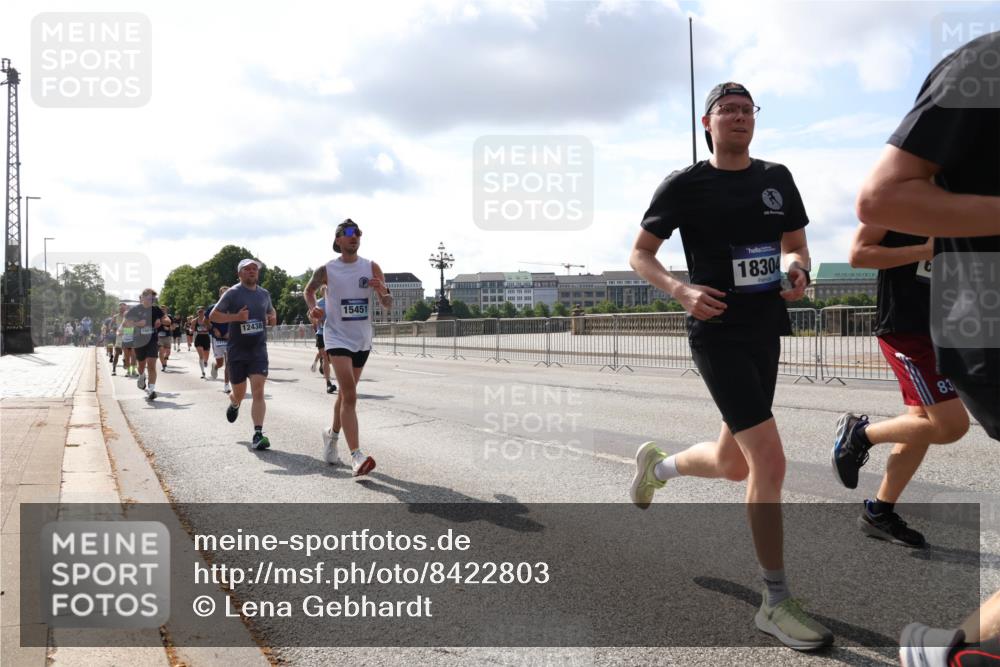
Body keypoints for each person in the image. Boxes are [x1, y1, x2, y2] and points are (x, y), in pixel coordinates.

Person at [628, 82, 832, 651]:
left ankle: (658, 468)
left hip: (767, 327)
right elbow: (640, 254)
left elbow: (796, 243)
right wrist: (680, 290)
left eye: (747, 110)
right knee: (768, 460)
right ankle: (775, 599)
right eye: (728, 111)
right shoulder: (686, 184)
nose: (739, 118)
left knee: (732, 463)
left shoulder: (777, 177)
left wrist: (798, 271)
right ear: (707, 122)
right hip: (716, 332)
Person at [855, 30, 1000, 667]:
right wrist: (927, 248)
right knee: (944, 422)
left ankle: (880, 501)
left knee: (936, 423)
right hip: (920, 321)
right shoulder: (981, 71)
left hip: (947, 314)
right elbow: (862, 245)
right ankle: (859, 438)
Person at [831, 223, 969, 547]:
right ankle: (858, 434)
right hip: (906, 327)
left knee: (918, 424)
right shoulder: (898, 191)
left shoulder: (969, 198)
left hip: (944, 328)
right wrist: (925, 250)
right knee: (950, 426)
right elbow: (859, 254)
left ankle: (878, 513)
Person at [304, 218, 391, 476]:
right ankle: (356, 456)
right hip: (336, 337)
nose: (355, 237)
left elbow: (387, 302)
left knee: (344, 394)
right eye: (349, 233)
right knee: (350, 394)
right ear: (338, 239)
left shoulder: (371, 266)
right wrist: (314, 309)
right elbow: (308, 291)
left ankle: (331, 436)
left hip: (362, 338)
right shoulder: (327, 269)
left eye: (358, 233)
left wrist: (382, 291)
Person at [210, 259, 277, 450]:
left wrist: (273, 317)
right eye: (247, 269)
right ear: (240, 274)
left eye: (254, 269)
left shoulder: (264, 294)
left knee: (258, 391)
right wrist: (236, 317)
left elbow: (272, 314)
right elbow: (214, 316)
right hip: (237, 350)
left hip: (258, 350)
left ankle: (258, 434)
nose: (252, 272)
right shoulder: (232, 293)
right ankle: (234, 403)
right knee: (239, 393)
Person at [124, 288, 166, 400]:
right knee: (141, 365)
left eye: (153, 298)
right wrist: (138, 323)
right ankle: (142, 376)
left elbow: (167, 320)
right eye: (148, 298)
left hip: (152, 340)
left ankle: (151, 390)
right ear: (142, 297)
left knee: (151, 365)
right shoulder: (134, 310)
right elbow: (126, 324)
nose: (151, 300)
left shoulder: (156, 309)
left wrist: (161, 321)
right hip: (139, 341)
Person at [310, 285, 337, 394]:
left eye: (328, 290)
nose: (327, 291)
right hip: (321, 333)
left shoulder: (336, 301)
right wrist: (317, 319)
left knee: (332, 358)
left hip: (334, 333)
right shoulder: (319, 303)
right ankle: (328, 383)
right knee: (326, 357)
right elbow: (312, 316)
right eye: (324, 290)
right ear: (322, 292)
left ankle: (322, 364)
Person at [206, 286, 232, 394]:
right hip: (217, 339)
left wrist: (231, 331)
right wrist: (213, 328)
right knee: (220, 363)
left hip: (230, 339)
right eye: (223, 293)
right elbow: (205, 321)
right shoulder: (213, 307)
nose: (225, 295)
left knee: (229, 363)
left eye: (228, 293)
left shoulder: (233, 308)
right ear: (220, 295)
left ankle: (226, 385)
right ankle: (215, 366)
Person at [193, 307, 212, 379]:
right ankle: (203, 372)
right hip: (199, 338)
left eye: (202, 311)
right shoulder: (194, 321)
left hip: (206, 337)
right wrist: (191, 330)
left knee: (206, 355)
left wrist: (207, 326)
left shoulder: (208, 319)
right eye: (199, 311)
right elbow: (192, 329)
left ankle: (205, 362)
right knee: (201, 356)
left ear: (204, 312)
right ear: (197, 312)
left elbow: (211, 327)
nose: (200, 313)